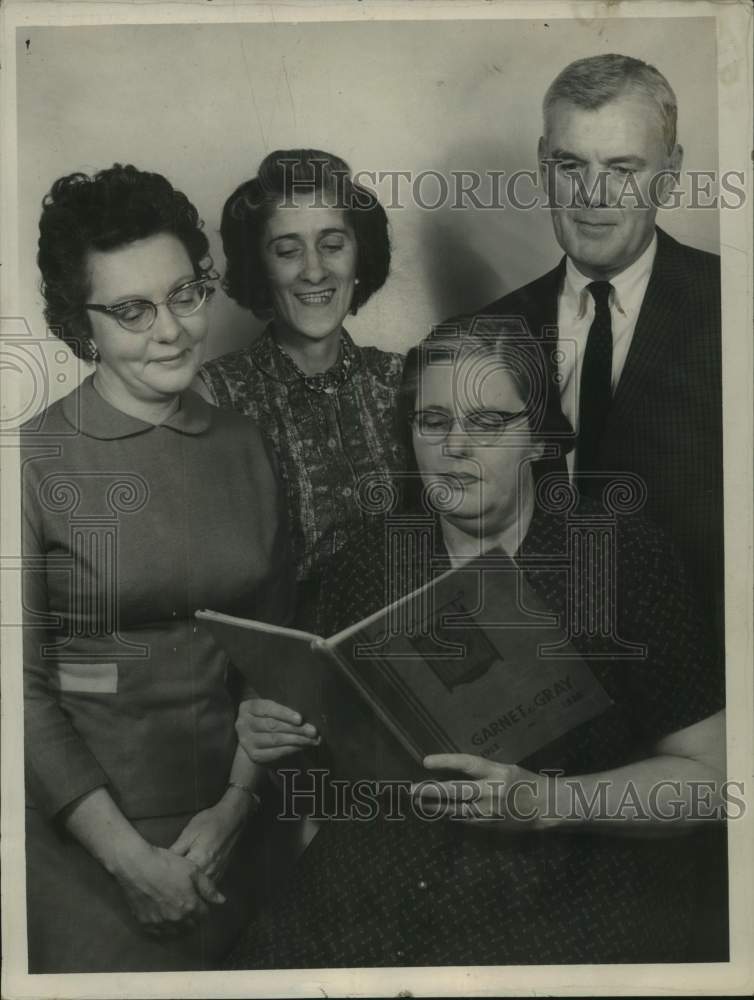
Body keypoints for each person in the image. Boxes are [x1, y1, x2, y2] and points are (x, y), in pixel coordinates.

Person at [229, 319, 726, 967]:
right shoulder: (370, 561)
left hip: (562, 895)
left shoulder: (622, 560)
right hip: (376, 893)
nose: (454, 446)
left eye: (488, 424)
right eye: (432, 420)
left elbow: (710, 784)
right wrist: (279, 732)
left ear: (538, 437)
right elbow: (337, 773)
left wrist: (548, 803)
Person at [22, 164, 292, 972]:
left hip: (234, 832)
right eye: (131, 310)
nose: (171, 330)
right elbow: (18, 698)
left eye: (186, 293)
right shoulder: (29, 461)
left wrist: (235, 810)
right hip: (86, 850)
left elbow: (276, 658)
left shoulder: (246, 446)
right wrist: (132, 863)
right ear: (82, 323)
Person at [479, 54, 723, 657]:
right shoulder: (487, 333)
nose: (591, 194)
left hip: (710, 679)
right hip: (540, 681)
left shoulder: (735, 309)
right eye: (570, 165)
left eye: (622, 168)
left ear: (670, 174)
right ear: (542, 166)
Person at [196, 149, 406, 617]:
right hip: (280, 671)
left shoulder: (402, 379)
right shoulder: (214, 395)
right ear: (260, 267)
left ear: (360, 255)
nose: (314, 270)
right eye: (288, 250)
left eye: (332, 244)